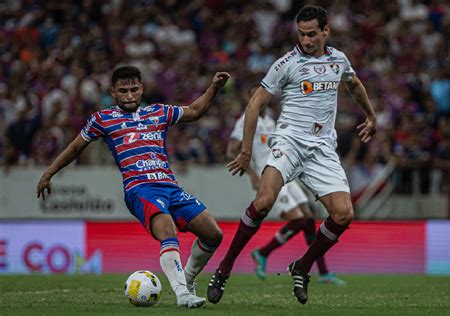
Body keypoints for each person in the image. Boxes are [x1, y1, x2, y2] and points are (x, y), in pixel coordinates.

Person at [208, 5, 376, 305]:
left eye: (312, 34)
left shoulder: (339, 60)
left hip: (322, 147)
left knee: (344, 214)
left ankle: (302, 266)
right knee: (263, 201)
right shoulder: (286, 63)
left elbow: (353, 84)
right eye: (301, 34)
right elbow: (253, 105)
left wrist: (371, 116)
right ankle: (224, 268)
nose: (306, 40)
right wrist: (246, 151)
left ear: (326, 31)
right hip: (289, 141)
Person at [36, 66, 230, 308]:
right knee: (168, 232)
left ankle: (188, 279)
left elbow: (195, 111)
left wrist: (214, 87)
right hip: (140, 189)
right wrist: (49, 172)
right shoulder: (102, 119)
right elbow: (76, 147)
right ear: (113, 92)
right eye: (123, 91)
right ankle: (182, 294)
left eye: (133, 90)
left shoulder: (158, 112)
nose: (129, 96)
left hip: (170, 186)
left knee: (213, 234)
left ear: (142, 89)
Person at [227, 87, 346, 285]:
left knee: (308, 218)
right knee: (298, 219)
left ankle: (323, 273)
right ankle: (262, 253)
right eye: (254, 94)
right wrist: (252, 173)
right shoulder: (245, 120)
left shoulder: (271, 119)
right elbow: (230, 150)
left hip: (286, 171)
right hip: (269, 177)